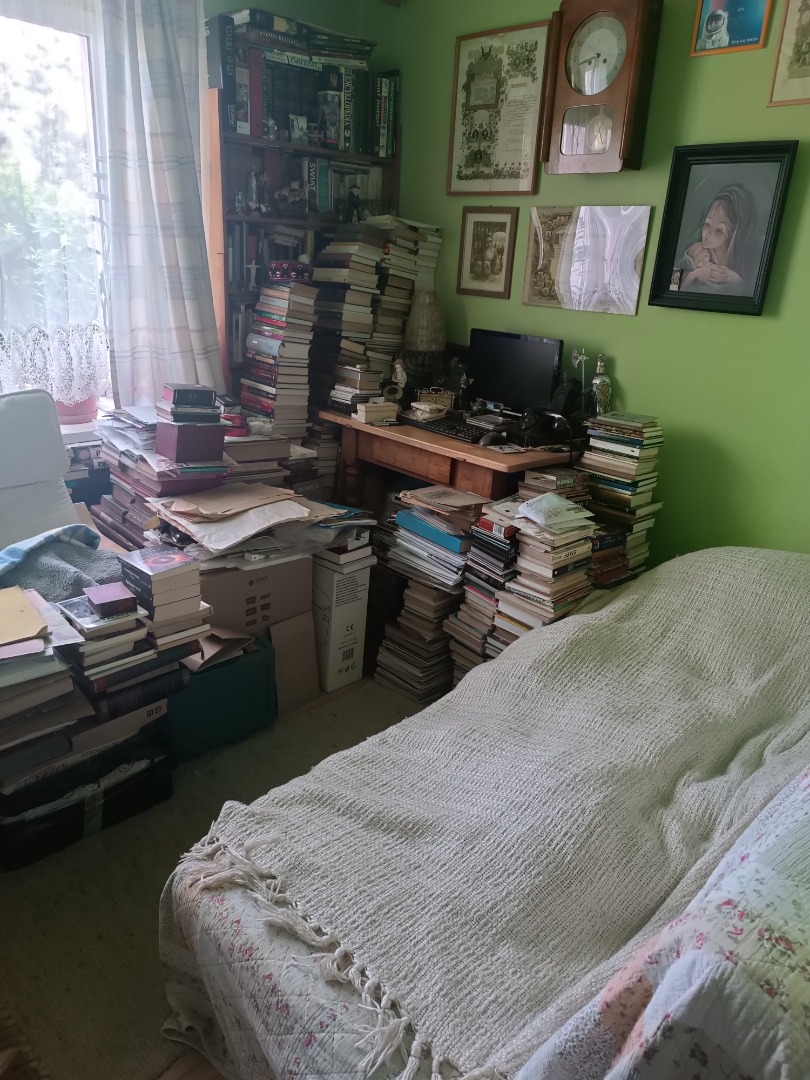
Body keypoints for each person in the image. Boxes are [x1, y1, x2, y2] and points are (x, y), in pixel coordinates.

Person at [677, 184, 756, 295]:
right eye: (707, 224)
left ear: (732, 233)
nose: (708, 234)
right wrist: (695, 274)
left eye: (718, 230)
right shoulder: (695, 253)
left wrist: (739, 283)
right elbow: (670, 285)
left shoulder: (745, 263)